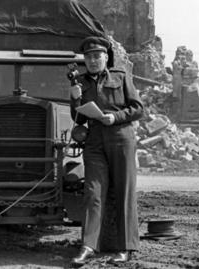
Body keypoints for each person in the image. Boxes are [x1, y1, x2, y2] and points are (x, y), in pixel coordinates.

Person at [69, 36, 144, 266]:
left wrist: (115, 116)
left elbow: (137, 108)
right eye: (88, 57)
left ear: (105, 57)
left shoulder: (120, 77)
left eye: (97, 56)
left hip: (121, 138)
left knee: (124, 192)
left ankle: (126, 247)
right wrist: (74, 98)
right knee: (93, 193)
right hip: (94, 142)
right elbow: (78, 118)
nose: (92, 61)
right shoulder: (80, 82)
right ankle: (88, 246)